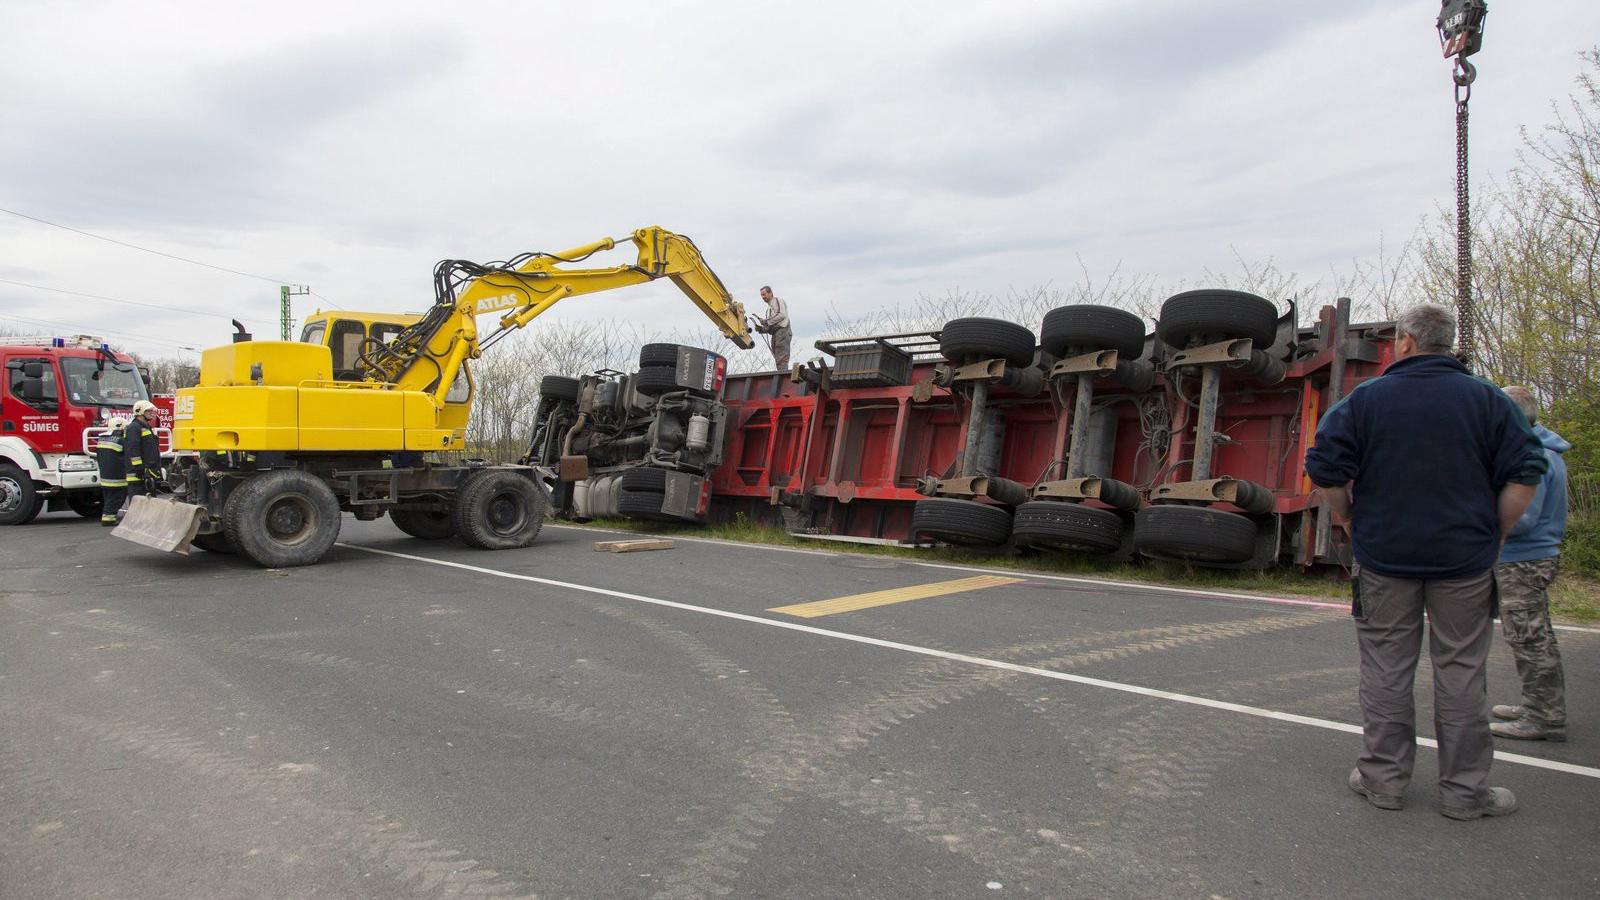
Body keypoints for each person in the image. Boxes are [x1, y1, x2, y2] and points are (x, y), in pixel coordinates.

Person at [1304, 303, 1546, 821]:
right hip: (1464, 560)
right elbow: (1527, 469)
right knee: (1462, 671)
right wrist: (1498, 529)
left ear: (1406, 342)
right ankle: (1465, 794)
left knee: (1387, 668)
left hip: (1385, 556)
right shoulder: (1488, 400)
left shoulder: (1365, 400)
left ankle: (1383, 781)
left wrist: (1348, 518)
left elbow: (1323, 465)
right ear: (1448, 343)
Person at [1490, 385, 1570, 742]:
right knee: (1536, 635)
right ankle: (1539, 704)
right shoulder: (1546, 450)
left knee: (1528, 637)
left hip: (1524, 559)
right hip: (1534, 557)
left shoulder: (1533, 457)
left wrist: (1486, 516)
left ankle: (1542, 717)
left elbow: (1523, 520)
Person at [122, 399, 162, 511]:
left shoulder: (145, 427)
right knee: (137, 505)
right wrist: (139, 469)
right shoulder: (133, 428)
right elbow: (133, 450)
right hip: (137, 475)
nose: (151, 413)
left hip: (147, 473)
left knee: (148, 505)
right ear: (140, 412)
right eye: (149, 411)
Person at [95, 417, 128, 526]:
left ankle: (107, 515)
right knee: (117, 498)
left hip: (105, 476)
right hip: (117, 477)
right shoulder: (121, 441)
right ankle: (108, 519)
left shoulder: (102, 439)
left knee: (109, 498)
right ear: (120, 429)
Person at [754, 285, 792, 370]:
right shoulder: (768, 310)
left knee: (782, 358)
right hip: (775, 334)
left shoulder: (777, 301)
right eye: (761, 295)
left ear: (770, 293)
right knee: (778, 358)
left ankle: (783, 378)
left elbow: (781, 315)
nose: (763, 297)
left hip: (783, 331)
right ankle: (781, 375)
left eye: (764, 294)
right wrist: (761, 329)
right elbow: (770, 326)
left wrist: (766, 321)